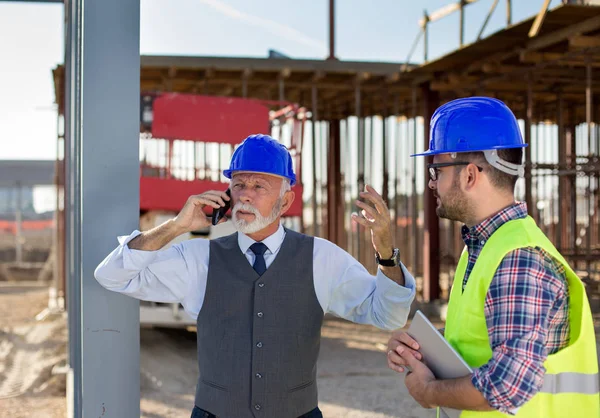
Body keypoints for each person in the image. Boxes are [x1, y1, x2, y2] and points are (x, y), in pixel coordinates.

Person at [95, 134, 416, 418]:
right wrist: (177, 226)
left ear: (286, 200)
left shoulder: (322, 257)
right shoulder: (199, 258)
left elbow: (388, 315)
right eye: (238, 185)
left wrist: (386, 254)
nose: (245, 195)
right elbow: (113, 275)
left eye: (259, 186)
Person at [386, 97, 599, 417]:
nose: (431, 182)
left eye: (436, 169)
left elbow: (508, 385)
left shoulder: (518, 259)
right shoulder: (484, 247)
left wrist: (429, 391)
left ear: (469, 175)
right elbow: (482, 345)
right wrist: (422, 353)